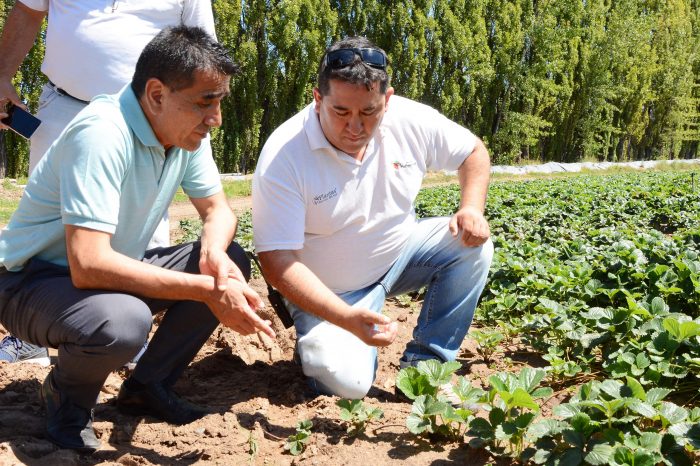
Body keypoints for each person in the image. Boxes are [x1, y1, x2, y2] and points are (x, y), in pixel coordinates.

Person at [0, 26, 275, 452]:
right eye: (206, 102)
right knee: (124, 321)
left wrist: (214, 254)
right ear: (157, 94)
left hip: (98, 274)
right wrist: (209, 288)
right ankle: (66, 400)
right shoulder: (102, 133)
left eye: (218, 103)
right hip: (30, 282)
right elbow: (88, 264)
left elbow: (218, 210)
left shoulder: (185, 134)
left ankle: (147, 386)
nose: (215, 118)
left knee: (231, 260)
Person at [253, 36, 494, 400]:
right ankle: (318, 334)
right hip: (330, 292)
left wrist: (472, 207)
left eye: (369, 112)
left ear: (388, 99)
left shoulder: (409, 120)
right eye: (341, 112)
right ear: (317, 100)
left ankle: (426, 367)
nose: (355, 126)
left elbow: (473, 151)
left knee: (471, 244)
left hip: (398, 258)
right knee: (346, 384)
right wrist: (346, 318)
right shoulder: (284, 154)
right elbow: (276, 262)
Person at [0, 0, 216, 364]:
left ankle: (129, 335)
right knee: (49, 228)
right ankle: (32, 335)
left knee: (141, 236)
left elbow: (203, 47)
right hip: (66, 108)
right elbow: (27, 11)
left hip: (149, 122)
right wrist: (2, 76)